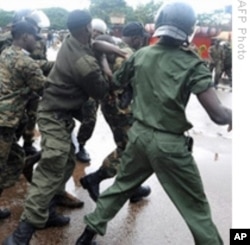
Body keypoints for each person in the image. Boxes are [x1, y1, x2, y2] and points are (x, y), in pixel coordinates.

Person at [75, 2, 232, 244]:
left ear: (158, 26)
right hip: (169, 146)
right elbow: (219, 115)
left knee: (121, 187)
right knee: (196, 209)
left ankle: (87, 236)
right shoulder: (193, 64)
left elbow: (115, 82)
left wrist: (105, 59)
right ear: (189, 29)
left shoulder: (141, 55)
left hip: (138, 136)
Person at [3, 9, 111, 244]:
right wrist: (105, 61)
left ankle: (48, 210)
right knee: (53, 166)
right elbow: (101, 90)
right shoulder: (85, 63)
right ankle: (23, 232)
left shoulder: (73, 40)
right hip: (54, 113)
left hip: (58, 112)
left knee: (67, 162)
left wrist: (113, 49)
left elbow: (93, 44)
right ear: (87, 28)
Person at [80, 22, 151, 203]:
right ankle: (94, 179)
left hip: (111, 105)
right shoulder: (130, 55)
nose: (142, 42)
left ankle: (132, 188)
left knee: (127, 145)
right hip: (122, 108)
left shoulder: (112, 45)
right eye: (142, 39)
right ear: (136, 38)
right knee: (129, 148)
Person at [0, 20, 47, 219]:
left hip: (5, 119)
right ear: (25, 36)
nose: (37, 42)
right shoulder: (26, 63)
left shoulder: (6, 53)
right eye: (35, 37)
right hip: (5, 121)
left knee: (16, 157)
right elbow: (45, 88)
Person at [75, 18, 108, 163]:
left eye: (99, 32)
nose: (95, 34)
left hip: (92, 90)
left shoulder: (101, 47)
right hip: (75, 88)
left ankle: (80, 144)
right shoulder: (76, 44)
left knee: (90, 120)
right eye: (94, 30)